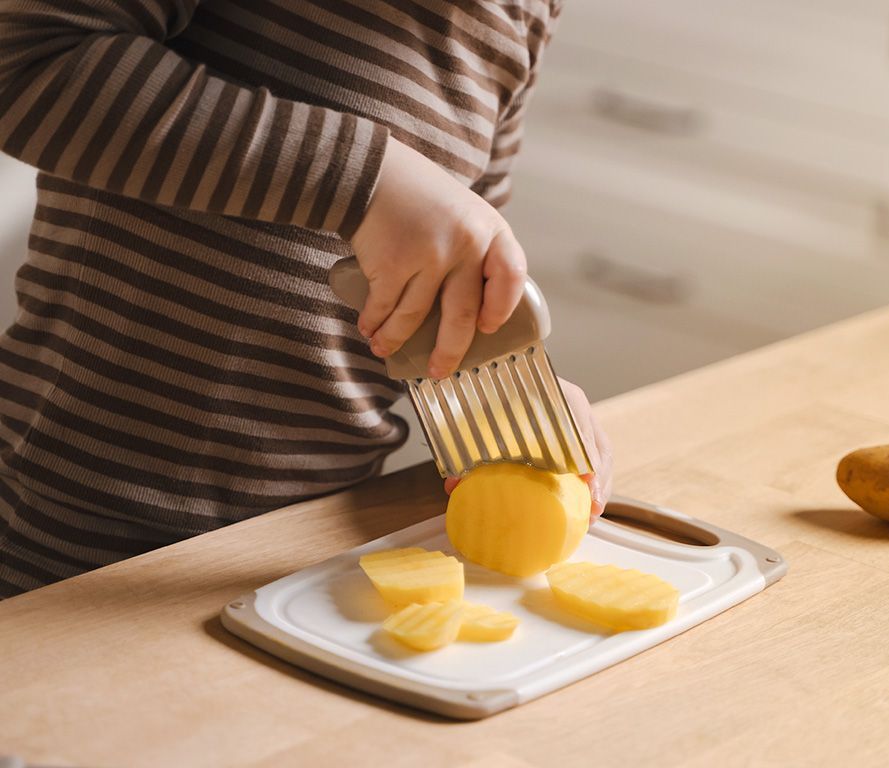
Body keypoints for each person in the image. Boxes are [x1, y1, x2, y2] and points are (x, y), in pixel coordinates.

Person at [0, 0, 612, 598]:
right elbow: (25, 59)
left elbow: (455, 265)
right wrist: (366, 183)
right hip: (74, 531)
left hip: (312, 551)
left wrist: (513, 401)